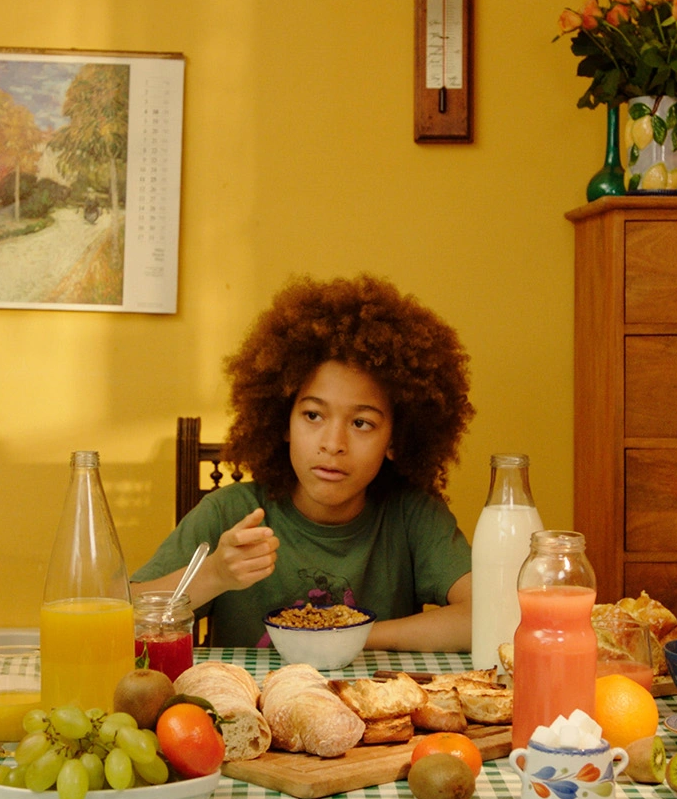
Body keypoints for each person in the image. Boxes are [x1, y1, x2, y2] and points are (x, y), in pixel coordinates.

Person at [132, 274, 475, 651]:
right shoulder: (229, 513)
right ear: (284, 422)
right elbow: (121, 616)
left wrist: (350, 636)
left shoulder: (413, 518)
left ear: (395, 439)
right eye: (313, 415)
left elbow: (488, 614)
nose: (333, 444)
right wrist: (214, 574)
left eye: (361, 423)